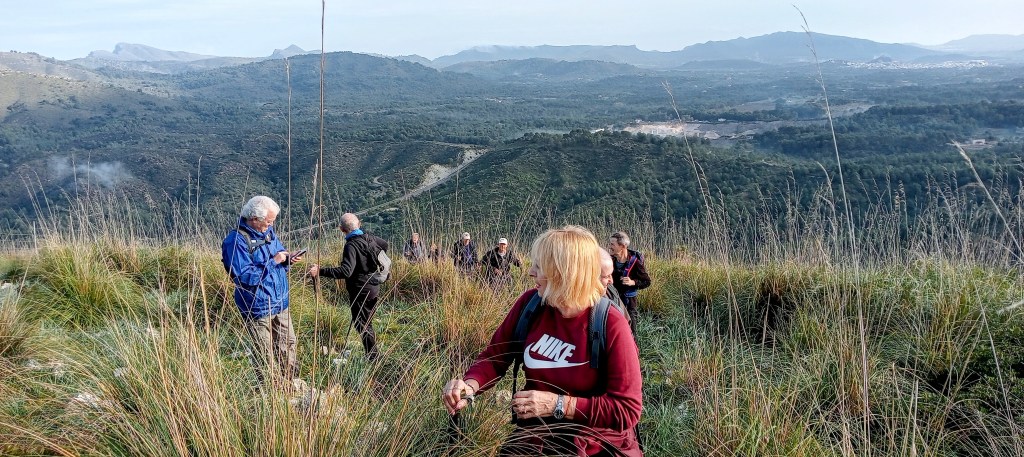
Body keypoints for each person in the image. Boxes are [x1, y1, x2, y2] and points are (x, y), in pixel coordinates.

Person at [442, 226, 643, 456]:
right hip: (535, 438)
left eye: (539, 266)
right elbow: (495, 357)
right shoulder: (530, 305)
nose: (530, 272)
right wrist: (469, 386)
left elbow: (627, 409)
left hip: (596, 443)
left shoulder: (610, 323)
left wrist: (558, 404)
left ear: (563, 272)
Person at [221, 195, 302, 386]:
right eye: (268, 222)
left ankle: (290, 383)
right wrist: (274, 262)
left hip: (280, 301)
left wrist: (288, 259)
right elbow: (243, 277)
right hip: (257, 306)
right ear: (254, 219)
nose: (271, 225)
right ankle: (271, 391)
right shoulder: (235, 241)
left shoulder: (268, 232)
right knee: (264, 352)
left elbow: (278, 252)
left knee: (288, 343)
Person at [308, 213, 388, 360]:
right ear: (359, 224)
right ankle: (372, 354)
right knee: (365, 321)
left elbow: (346, 271)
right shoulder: (370, 238)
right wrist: (372, 262)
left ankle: (373, 357)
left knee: (362, 324)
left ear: (341, 229)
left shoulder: (351, 245)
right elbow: (384, 245)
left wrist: (320, 271)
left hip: (360, 289)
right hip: (373, 284)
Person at [607, 231, 650, 333]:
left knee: (631, 330)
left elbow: (647, 281)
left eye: (612, 244)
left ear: (622, 246)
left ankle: (634, 347)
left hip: (629, 303)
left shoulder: (635, 262)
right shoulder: (611, 260)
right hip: (613, 299)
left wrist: (633, 282)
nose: (609, 247)